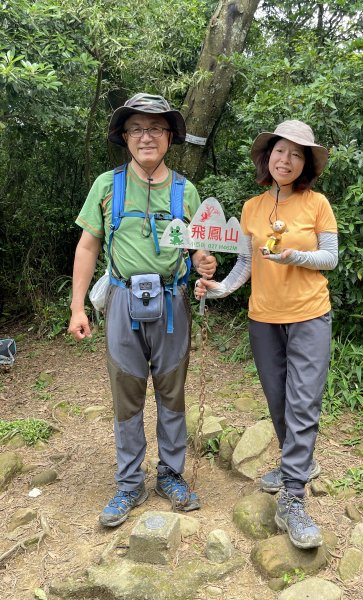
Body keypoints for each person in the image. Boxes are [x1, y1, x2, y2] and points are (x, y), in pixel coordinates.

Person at [68, 93, 216, 527]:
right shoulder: (106, 185)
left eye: (155, 129)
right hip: (120, 301)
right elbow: (88, 245)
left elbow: (200, 251)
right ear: (125, 137)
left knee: (172, 393)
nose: (145, 137)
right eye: (137, 128)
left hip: (173, 302)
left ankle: (170, 474)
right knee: (127, 393)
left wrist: (205, 262)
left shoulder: (186, 191)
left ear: (170, 137)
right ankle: (130, 483)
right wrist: (78, 308)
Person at [195, 120, 338, 549]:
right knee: (279, 401)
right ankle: (299, 464)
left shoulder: (317, 204)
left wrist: (296, 256)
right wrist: (219, 289)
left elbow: (330, 258)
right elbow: (244, 264)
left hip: (310, 315)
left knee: (303, 402)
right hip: (263, 319)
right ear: (267, 156)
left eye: (297, 155)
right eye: (281, 151)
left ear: (305, 163)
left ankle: (293, 496)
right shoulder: (252, 208)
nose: (287, 160)